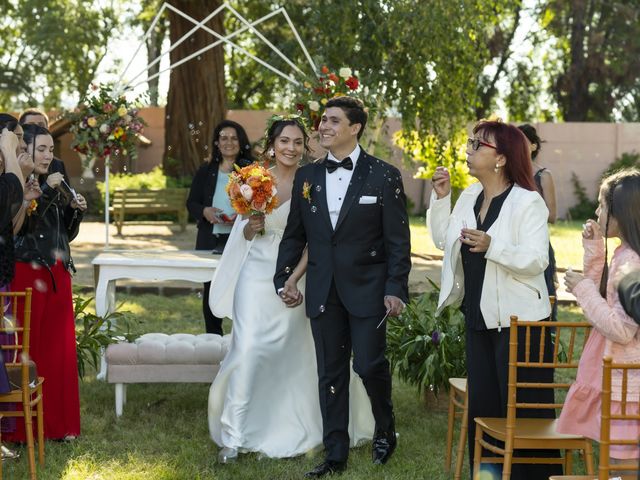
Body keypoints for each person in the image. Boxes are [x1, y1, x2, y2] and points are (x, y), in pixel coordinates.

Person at [208, 115, 374, 463]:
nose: (291, 148)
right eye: (285, 141)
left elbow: (319, 240)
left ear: (306, 147)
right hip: (254, 274)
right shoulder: (253, 179)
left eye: (298, 142)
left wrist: (293, 279)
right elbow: (245, 234)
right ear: (272, 144)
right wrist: (252, 225)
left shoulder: (313, 181)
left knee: (297, 352)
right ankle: (235, 435)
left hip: (300, 272)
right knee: (249, 348)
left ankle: (295, 425)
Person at [275, 97, 411, 478]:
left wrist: (395, 287)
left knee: (369, 366)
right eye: (323, 120)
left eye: (334, 120)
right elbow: (295, 235)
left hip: (369, 288)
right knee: (330, 374)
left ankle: (385, 426)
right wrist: (283, 277)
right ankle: (335, 453)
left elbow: (398, 240)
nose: (324, 126)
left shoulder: (384, 175)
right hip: (323, 290)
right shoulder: (307, 177)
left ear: (355, 128)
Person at [428, 120, 561, 479]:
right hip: (479, 316)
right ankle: (487, 473)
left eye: (477, 144)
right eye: (470, 142)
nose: (468, 149)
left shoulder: (527, 201)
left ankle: (530, 475)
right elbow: (445, 241)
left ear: (501, 158)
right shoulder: (470, 195)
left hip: (522, 323)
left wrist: (492, 246)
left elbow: (537, 259)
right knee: (484, 408)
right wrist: (442, 199)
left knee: (522, 410)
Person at [8, 124, 87, 442]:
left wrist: (74, 211)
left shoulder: (57, 179)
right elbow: (18, 229)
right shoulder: (15, 182)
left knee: (59, 351)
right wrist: (37, 198)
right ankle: (20, 430)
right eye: (41, 149)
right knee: (28, 349)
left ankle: (59, 425)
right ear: (25, 150)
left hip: (58, 271)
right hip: (27, 271)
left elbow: (65, 233)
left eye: (51, 150)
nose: (48, 155)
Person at [558, 168, 640, 467]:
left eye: (602, 205)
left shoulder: (631, 262)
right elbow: (603, 302)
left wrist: (581, 288)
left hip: (628, 383)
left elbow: (620, 328)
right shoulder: (625, 253)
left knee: (623, 464)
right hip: (620, 378)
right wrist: (595, 252)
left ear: (622, 214)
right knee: (617, 460)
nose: (596, 211)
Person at [187, 120, 253, 335]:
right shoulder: (206, 171)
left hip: (243, 239)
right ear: (216, 142)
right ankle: (213, 339)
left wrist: (244, 215)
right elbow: (192, 203)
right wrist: (205, 211)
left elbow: (262, 202)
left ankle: (242, 340)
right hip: (210, 239)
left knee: (243, 289)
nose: (229, 142)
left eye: (234, 138)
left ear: (241, 142)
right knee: (211, 291)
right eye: (224, 138)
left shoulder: (253, 172)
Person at [519, 123, 558, 320]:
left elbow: (552, 215)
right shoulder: (507, 176)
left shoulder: (544, 175)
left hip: (537, 245)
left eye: (523, 141)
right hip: (512, 245)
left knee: (544, 294)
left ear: (534, 146)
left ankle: (545, 339)